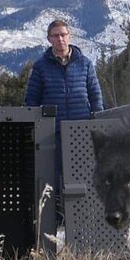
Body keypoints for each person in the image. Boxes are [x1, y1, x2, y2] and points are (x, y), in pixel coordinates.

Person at [24, 19, 104, 220]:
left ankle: (85, 218)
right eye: (55, 35)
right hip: (53, 132)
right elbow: (31, 101)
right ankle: (57, 219)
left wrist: (97, 122)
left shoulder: (85, 63)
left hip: (81, 130)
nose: (60, 39)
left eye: (63, 34)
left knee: (84, 176)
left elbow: (95, 95)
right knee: (55, 177)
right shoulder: (41, 66)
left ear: (70, 36)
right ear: (49, 39)